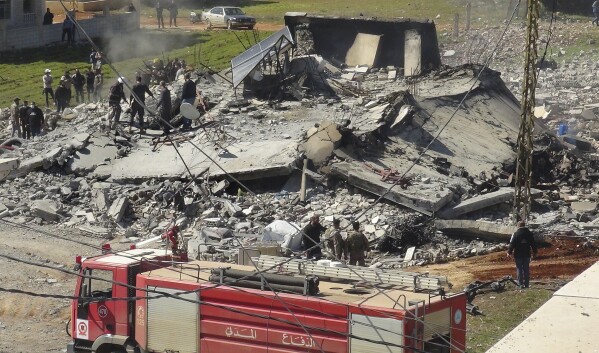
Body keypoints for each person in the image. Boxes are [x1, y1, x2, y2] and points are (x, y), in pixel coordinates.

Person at [507, 221, 538, 289]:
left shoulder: (515, 234)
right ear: (524, 225)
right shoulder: (529, 234)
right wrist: (535, 252)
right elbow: (533, 244)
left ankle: (520, 284)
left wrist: (509, 252)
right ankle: (526, 284)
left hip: (518, 254)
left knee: (519, 269)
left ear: (518, 226)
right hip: (527, 254)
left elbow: (512, 244)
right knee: (526, 269)